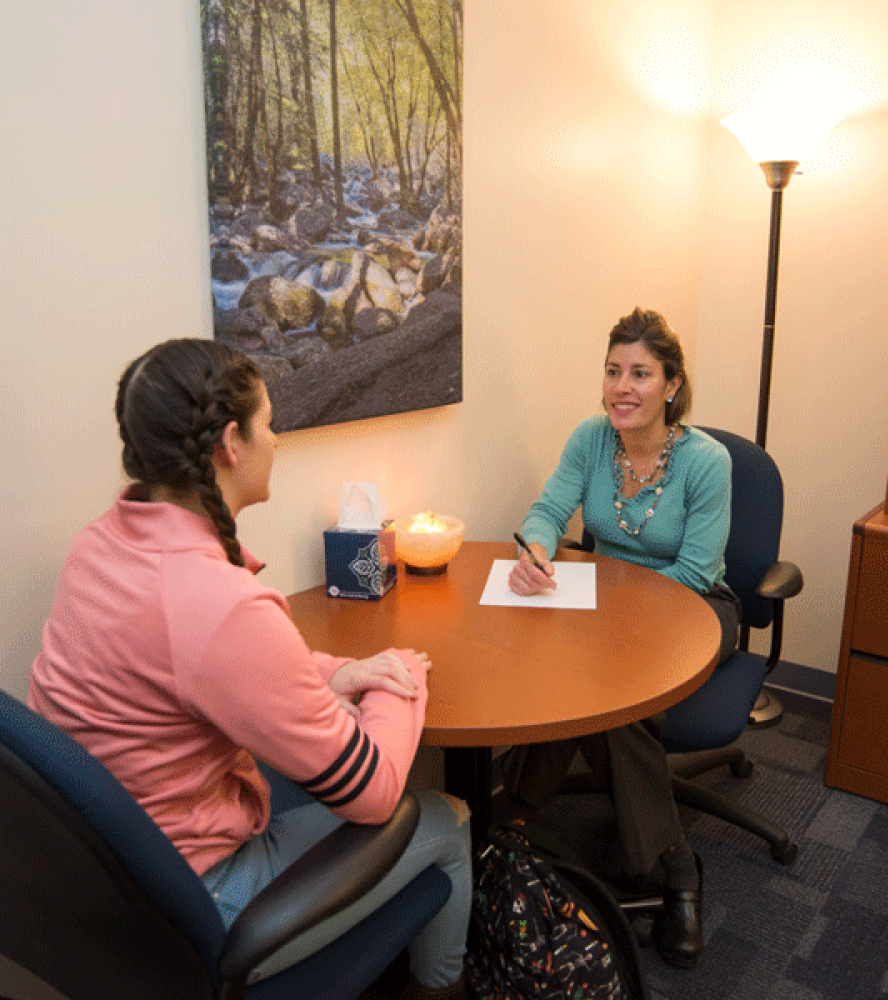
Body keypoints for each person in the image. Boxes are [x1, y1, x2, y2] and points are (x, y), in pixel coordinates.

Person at [28, 339, 472, 1000]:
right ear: (230, 444)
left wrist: (335, 672)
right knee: (448, 819)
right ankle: (441, 990)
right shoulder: (219, 604)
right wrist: (403, 674)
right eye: (268, 423)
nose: (277, 439)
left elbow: (208, 666)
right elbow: (375, 792)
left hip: (108, 883)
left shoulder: (102, 545)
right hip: (198, 905)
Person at [504, 307, 740, 970]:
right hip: (606, 607)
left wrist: (606, 610)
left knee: (616, 694)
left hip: (694, 610)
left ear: (672, 385)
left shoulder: (707, 462)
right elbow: (547, 512)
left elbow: (695, 571)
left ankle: (663, 866)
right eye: (613, 371)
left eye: (640, 373)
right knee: (585, 682)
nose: (622, 388)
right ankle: (667, 859)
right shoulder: (591, 439)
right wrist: (536, 551)